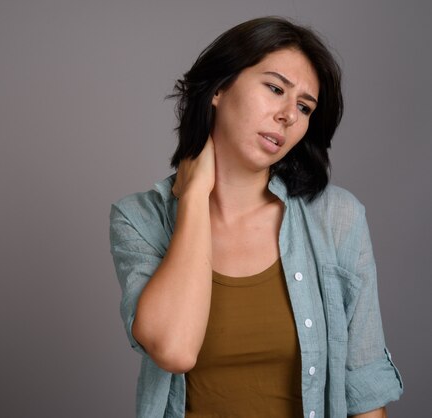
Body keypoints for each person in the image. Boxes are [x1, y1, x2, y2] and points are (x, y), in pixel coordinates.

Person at [109, 17, 403, 418]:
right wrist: (194, 195)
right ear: (219, 88)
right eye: (275, 88)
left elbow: (365, 394)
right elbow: (173, 349)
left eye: (304, 107)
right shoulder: (140, 219)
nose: (288, 115)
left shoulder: (337, 218)